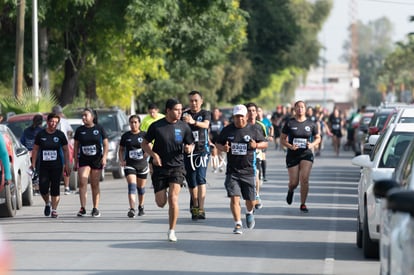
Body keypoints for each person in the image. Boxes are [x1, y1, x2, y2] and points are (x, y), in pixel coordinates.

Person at [141, 98, 194, 242]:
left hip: (177, 166)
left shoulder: (184, 127)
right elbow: (144, 143)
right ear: (168, 111)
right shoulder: (156, 126)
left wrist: (189, 148)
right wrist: (153, 155)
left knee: (173, 198)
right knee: (161, 202)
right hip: (159, 167)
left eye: (181, 109)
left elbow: (190, 143)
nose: (180, 112)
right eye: (176, 109)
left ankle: (172, 230)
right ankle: (160, 191)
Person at [215, 104, 267, 234]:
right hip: (233, 171)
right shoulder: (227, 130)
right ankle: (237, 223)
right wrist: (223, 148)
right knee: (234, 197)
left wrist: (256, 145)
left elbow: (265, 143)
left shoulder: (254, 129)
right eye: (237, 117)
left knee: (250, 201)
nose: (240, 119)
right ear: (233, 117)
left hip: (248, 171)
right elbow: (217, 143)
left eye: (242, 116)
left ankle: (249, 212)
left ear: (246, 116)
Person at [280, 100, 320, 213]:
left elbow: (318, 138)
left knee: (305, 179)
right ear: (294, 109)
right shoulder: (289, 123)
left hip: (306, 154)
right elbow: (282, 139)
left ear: (305, 109)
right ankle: (291, 190)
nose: (300, 109)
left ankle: (303, 204)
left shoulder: (311, 124)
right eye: (298, 107)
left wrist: (312, 144)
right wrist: (290, 146)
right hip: (292, 154)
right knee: (294, 182)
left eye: (302, 107)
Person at [31, 113, 71, 218]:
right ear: (47, 122)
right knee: (43, 188)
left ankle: (54, 209)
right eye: (51, 121)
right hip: (43, 166)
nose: (53, 124)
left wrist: (67, 164)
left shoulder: (60, 135)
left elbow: (66, 150)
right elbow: (35, 149)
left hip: (57, 166)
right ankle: (47, 203)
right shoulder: (41, 135)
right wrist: (33, 164)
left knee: (55, 187)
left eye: (55, 122)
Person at [73, 108, 108, 217]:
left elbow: (106, 144)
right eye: (82, 115)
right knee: (83, 181)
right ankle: (83, 208)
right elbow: (75, 146)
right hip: (84, 159)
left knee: (94, 184)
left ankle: (95, 208)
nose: (83, 117)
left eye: (85, 115)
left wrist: (105, 157)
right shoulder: (79, 130)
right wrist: (75, 161)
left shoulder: (99, 128)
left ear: (92, 117)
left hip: (96, 160)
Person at [182, 90, 211, 220]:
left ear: (201, 101)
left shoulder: (205, 113)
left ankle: (201, 209)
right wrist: (184, 146)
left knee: (201, 178)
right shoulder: (184, 115)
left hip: (202, 151)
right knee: (191, 181)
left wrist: (193, 122)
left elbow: (205, 125)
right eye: (191, 101)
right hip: (188, 152)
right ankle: (194, 205)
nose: (193, 103)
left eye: (196, 100)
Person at [119, 115, 149, 218]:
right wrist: (121, 160)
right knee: (132, 185)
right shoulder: (126, 136)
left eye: (135, 122)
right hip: (130, 165)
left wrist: (148, 153)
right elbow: (121, 149)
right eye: (131, 122)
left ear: (139, 123)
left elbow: (151, 146)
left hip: (142, 165)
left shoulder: (144, 135)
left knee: (140, 188)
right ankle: (132, 208)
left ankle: (141, 206)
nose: (133, 124)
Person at [245, 103, 268, 210]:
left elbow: (265, 141)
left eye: (253, 110)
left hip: (256, 153)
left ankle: (257, 195)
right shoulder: (242, 125)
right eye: (249, 111)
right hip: (243, 156)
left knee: (256, 174)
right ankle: (249, 198)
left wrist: (258, 147)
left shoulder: (260, 126)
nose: (252, 113)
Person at [52, 105, 74, 195]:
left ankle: (66, 187)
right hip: (57, 146)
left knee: (64, 165)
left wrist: (68, 137)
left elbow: (70, 131)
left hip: (60, 146)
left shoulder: (62, 121)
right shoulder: (55, 122)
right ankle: (61, 187)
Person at [20, 114, 43, 195]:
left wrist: (27, 150)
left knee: (30, 171)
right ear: (41, 122)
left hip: (27, 154)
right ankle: (37, 188)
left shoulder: (26, 131)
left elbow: (22, 142)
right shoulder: (42, 131)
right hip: (39, 154)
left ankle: (32, 187)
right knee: (38, 171)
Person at [257, 106, 273, 182]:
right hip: (256, 141)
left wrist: (271, 135)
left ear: (262, 112)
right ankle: (257, 173)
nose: (258, 113)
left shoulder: (266, 121)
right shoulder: (254, 121)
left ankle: (264, 174)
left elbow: (271, 127)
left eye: (260, 111)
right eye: (257, 111)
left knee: (263, 157)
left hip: (263, 141)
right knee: (257, 158)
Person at [209, 107, 227, 173]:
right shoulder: (211, 120)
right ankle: (214, 167)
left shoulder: (222, 120)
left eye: (216, 112)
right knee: (214, 153)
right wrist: (209, 138)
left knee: (220, 153)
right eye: (214, 111)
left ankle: (220, 166)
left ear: (219, 113)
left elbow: (226, 127)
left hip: (220, 139)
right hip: (213, 139)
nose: (215, 113)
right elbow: (208, 130)